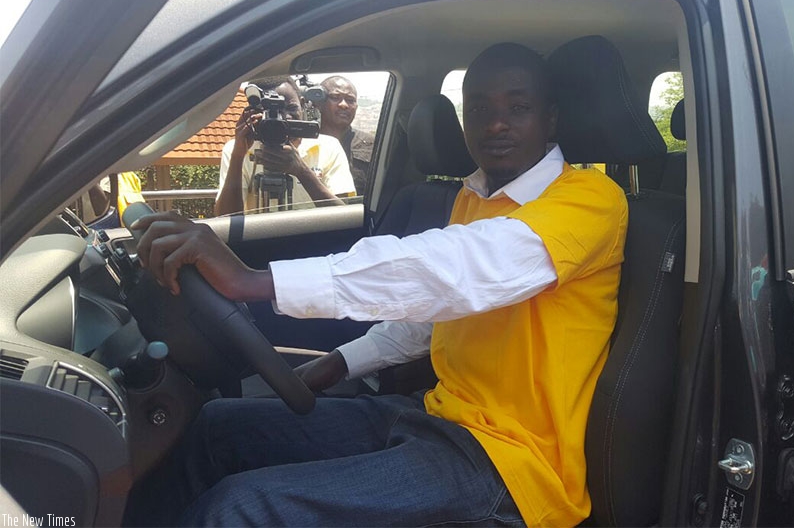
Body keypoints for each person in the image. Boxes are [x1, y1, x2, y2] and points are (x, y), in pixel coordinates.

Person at [130, 43, 628, 527]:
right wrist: (342, 361)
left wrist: (252, 282)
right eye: (478, 108)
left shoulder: (592, 201)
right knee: (216, 428)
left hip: (512, 466)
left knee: (240, 506)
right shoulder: (474, 198)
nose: (495, 123)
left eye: (517, 107)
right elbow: (437, 313)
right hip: (433, 416)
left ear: (551, 120)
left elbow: (460, 270)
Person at [213, 76, 356, 216]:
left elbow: (345, 215)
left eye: (292, 108)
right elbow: (225, 217)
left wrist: (302, 172)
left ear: (302, 104)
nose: (285, 117)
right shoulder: (236, 149)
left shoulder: (329, 147)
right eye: (274, 112)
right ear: (254, 111)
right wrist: (238, 156)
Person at [319, 75, 375, 195]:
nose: (343, 105)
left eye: (350, 100)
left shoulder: (372, 145)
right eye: (335, 97)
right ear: (319, 103)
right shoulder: (304, 144)